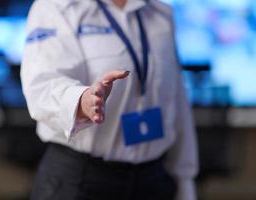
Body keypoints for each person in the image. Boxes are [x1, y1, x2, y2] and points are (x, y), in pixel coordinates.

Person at [21, 0, 199, 199]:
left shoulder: (160, 14)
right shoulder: (56, 7)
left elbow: (177, 100)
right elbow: (42, 86)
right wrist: (81, 101)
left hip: (154, 179)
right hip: (82, 179)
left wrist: (185, 178)